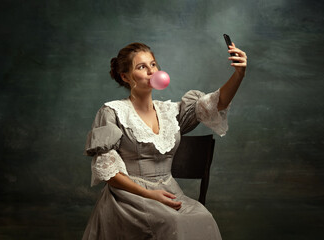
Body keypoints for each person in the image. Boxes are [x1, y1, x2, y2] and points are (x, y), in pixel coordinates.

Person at [82, 42, 247, 240]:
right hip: (128, 198)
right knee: (175, 223)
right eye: (142, 67)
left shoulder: (171, 113)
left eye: (153, 64)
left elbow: (216, 103)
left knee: (204, 217)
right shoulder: (112, 112)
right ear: (125, 77)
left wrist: (239, 74)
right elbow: (109, 174)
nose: (152, 71)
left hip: (169, 192)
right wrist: (149, 194)